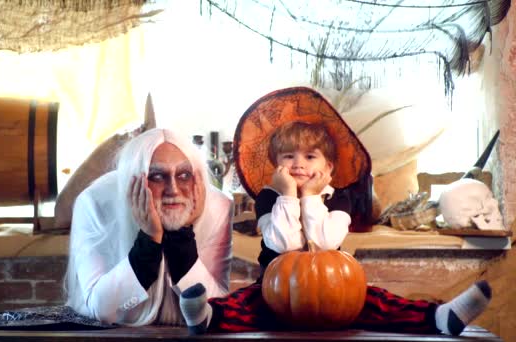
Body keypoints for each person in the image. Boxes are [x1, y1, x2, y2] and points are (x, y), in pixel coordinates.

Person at [179, 87, 492, 336]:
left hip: (332, 290)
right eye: (288, 156)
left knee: (376, 301)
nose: (298, 163)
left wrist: (312, 197)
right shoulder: (269, 198)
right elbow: (282, 247)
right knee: (247, 303)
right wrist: (288, 196)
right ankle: (208, 315)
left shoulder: (338, 198)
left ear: (328, 166)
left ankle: (439, 317)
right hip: (276, 290)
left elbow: (325, 244)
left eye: (310, 156)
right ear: (277, 165)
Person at [64, 128, 233, 326]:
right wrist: (150, 239)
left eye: (184, 175)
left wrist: (182, 234)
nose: (173, 190)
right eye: (158, 176)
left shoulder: (218, 206)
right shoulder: (94, 202)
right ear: (135, 178)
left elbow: (215, 307)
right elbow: (101, 309)